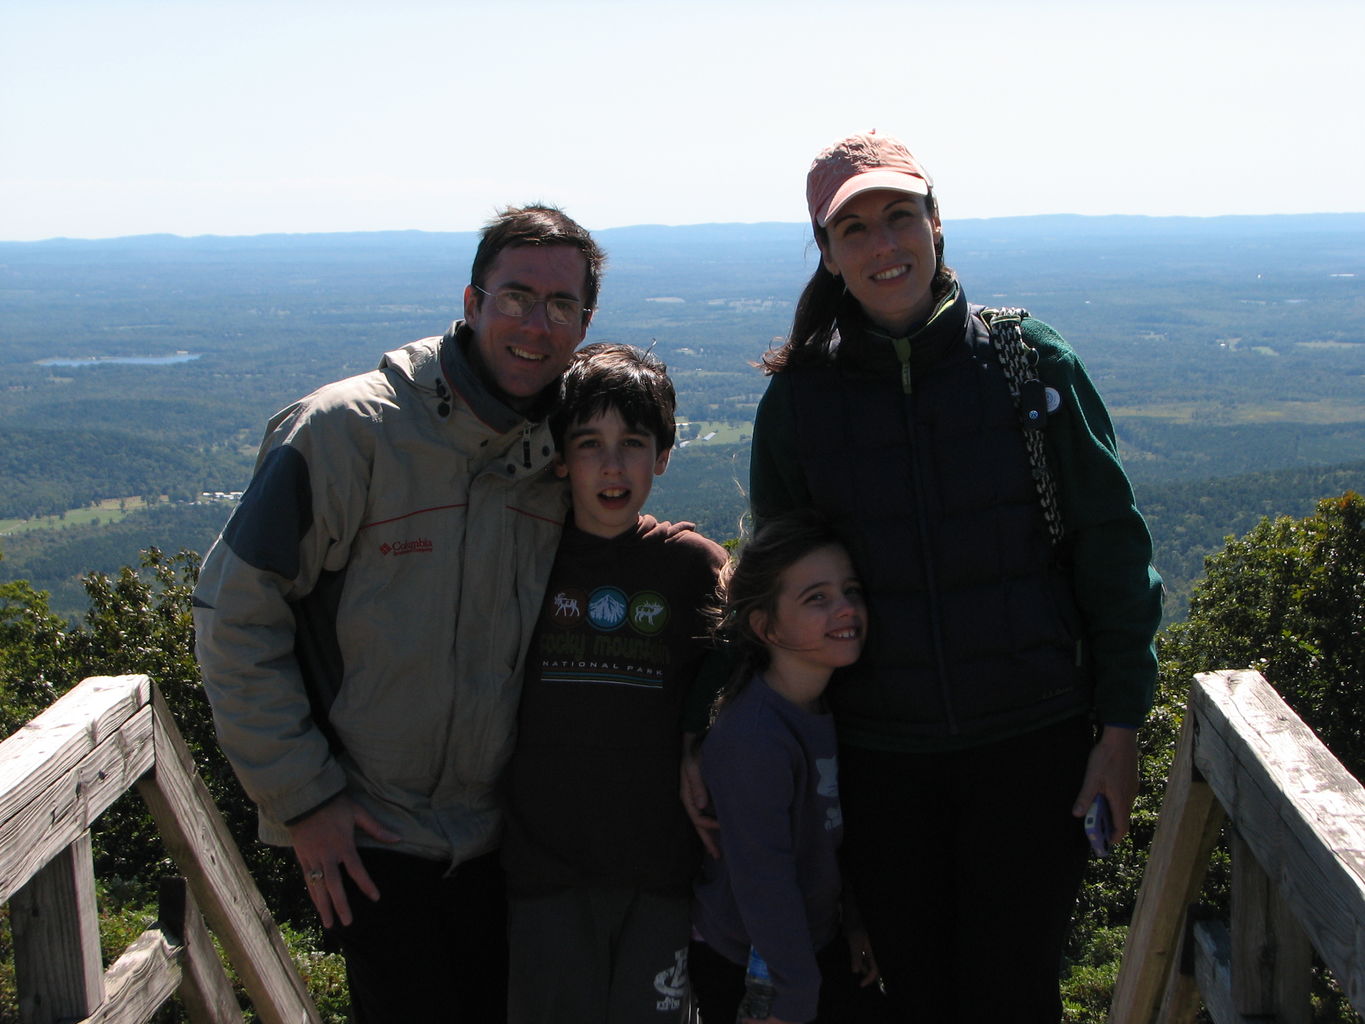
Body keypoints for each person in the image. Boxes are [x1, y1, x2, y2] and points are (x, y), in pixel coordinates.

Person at [746, 131, 1164, 1021]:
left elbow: (1112, 551)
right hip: (877, 763)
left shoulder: (1026, 364)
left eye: (900, 217)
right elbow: (771, 597)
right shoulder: (799, 404)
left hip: (1032, 747)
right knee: (915, 993)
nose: (882, 245)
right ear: (826, 253)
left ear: (937, 226)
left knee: (1013, 992)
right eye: (853, 229)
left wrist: (1120, 728)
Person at [192, 203, 605, 1023]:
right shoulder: (348, 433)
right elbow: (233, 613)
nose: (535, 323)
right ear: (470, 301)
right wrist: (305, 800)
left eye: (562, 306)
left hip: (504, 842)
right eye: (515, 295)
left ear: (584, 324)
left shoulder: (563, 451)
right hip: (370, 833)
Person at [499, 342, 728, 1024]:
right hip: (543, 873)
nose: (611, 465)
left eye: (632, 442)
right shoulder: (526, 557)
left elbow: (745, 656)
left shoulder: (690, 568)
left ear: (661, 455)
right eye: (589, 443)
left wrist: (696, 733)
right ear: (560, 457)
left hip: (659, 872)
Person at [690, 512, 878, 1024]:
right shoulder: (756, 739)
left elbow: (832, 842)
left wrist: (855, 924)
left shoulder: (821, 707)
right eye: (816, 598)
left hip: (805, 946)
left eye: (851, 590)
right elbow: (763, 882)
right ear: (764, 626)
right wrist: (795, 996)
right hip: (746, 961)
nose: (845, 608)